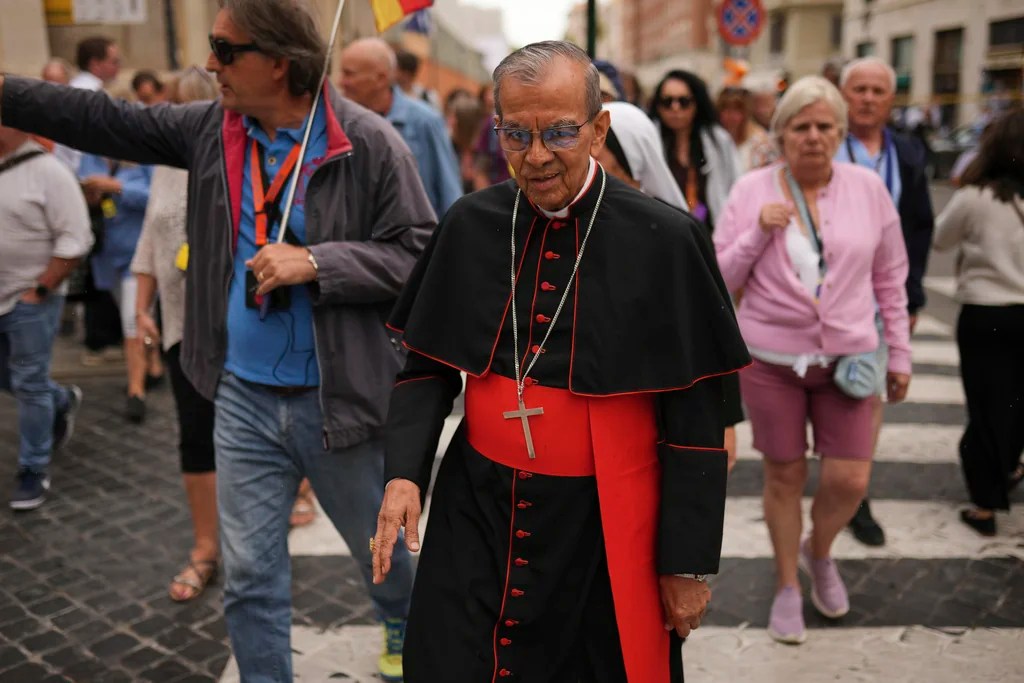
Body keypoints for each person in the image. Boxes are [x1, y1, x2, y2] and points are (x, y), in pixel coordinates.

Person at [0, 0, 434, 679]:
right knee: (251, 578)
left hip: (341, 402)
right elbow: (102, 120)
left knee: (381, 555)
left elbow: (418, 253)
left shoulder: (371, 142)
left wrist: (318, 262)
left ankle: (401, 617)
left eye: (226, 51)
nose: (211, 65)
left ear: (279, 63)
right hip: (242, 399)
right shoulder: (213, 129)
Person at [371, 40, 750, 682]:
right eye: (516, 134)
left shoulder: (666, 241)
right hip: (478, 506)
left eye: (559, 132)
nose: (537, 156)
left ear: (599, 128)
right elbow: (428, 367)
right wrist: (404, 475)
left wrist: (685, 566)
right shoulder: (469, 224)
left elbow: (694, 421)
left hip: (601, 525)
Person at [713, 76, 912, 645]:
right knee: (784, 474)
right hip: (771, 358)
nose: (814, 137)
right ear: (781, 135)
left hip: (848, 357)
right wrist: (757, 232)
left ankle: (818, 552)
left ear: (841, 132)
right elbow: (721, 277)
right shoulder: (752, 190)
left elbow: (890, 276)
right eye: (801, 127)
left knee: (850, 478)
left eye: (826, 126)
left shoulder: (867, 188)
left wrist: (898, 351)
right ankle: (786, 586)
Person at [598, 100, 746, 473]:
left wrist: (726, 421)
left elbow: (714, 326)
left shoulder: (676, 231)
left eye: (600, 141)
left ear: (628, 155)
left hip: (665, 398)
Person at [837, 56, 936, 547]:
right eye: (860, 89)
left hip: (880, 299)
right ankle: (835, 475)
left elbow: (920, 229)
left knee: (866, 396)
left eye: (878, 90)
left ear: (891, 100)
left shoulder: (909, 152)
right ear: (843, 93)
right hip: (826, 296)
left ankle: (857, 494)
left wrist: (911, 300)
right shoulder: (825, 143)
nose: (869, 98)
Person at [130, 66, 220, 600]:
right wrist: (142, 309)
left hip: (233, 323)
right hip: (180, 324)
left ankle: (292, 495)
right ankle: (205, 547)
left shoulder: (231, 156)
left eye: (182, 106)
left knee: (258, 429)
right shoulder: (165, 163)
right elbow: (149, 240)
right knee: (194, 432)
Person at [932, 109, 1024, 537]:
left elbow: (940, 238)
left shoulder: (975, 197)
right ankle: (1009, 464)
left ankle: (986, 504)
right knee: (1017, 402)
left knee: (986, 405)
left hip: (985, 313)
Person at [0, 123, 92, 510]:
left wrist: (41, 290)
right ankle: (60, 400)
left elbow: (76, 238)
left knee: (29, 381)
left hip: (30, 300)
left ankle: (33, 468)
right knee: (15, 378)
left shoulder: (50, 172)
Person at [341, 38, 462, 218]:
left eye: (349, 74)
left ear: (380, 78)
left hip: (417, 241)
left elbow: (449, 190)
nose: (342, 82)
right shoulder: (342, 123)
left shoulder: (425, 121)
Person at [78, 152, 154, 422]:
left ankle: (136, 391)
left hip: (138, 256)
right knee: (136, 315)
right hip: (107, 256)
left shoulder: (144, 156)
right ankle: (154, 366)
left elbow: (155, 198)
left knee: (132, 321)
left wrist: (117, 187)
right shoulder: (89, 158)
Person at [650, 69, 741, 231]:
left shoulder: (718, 141)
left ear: (697, 103)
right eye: (667, 101)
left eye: (684, 101)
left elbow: (735, 186)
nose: (675, 108)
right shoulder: (649, 138)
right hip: (660, 234)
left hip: (710, 235)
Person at [717, 86, 779, 173]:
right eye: (725, 109)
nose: (730, 116)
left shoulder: (761, 144)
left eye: (736, 110)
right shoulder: (718, 140)